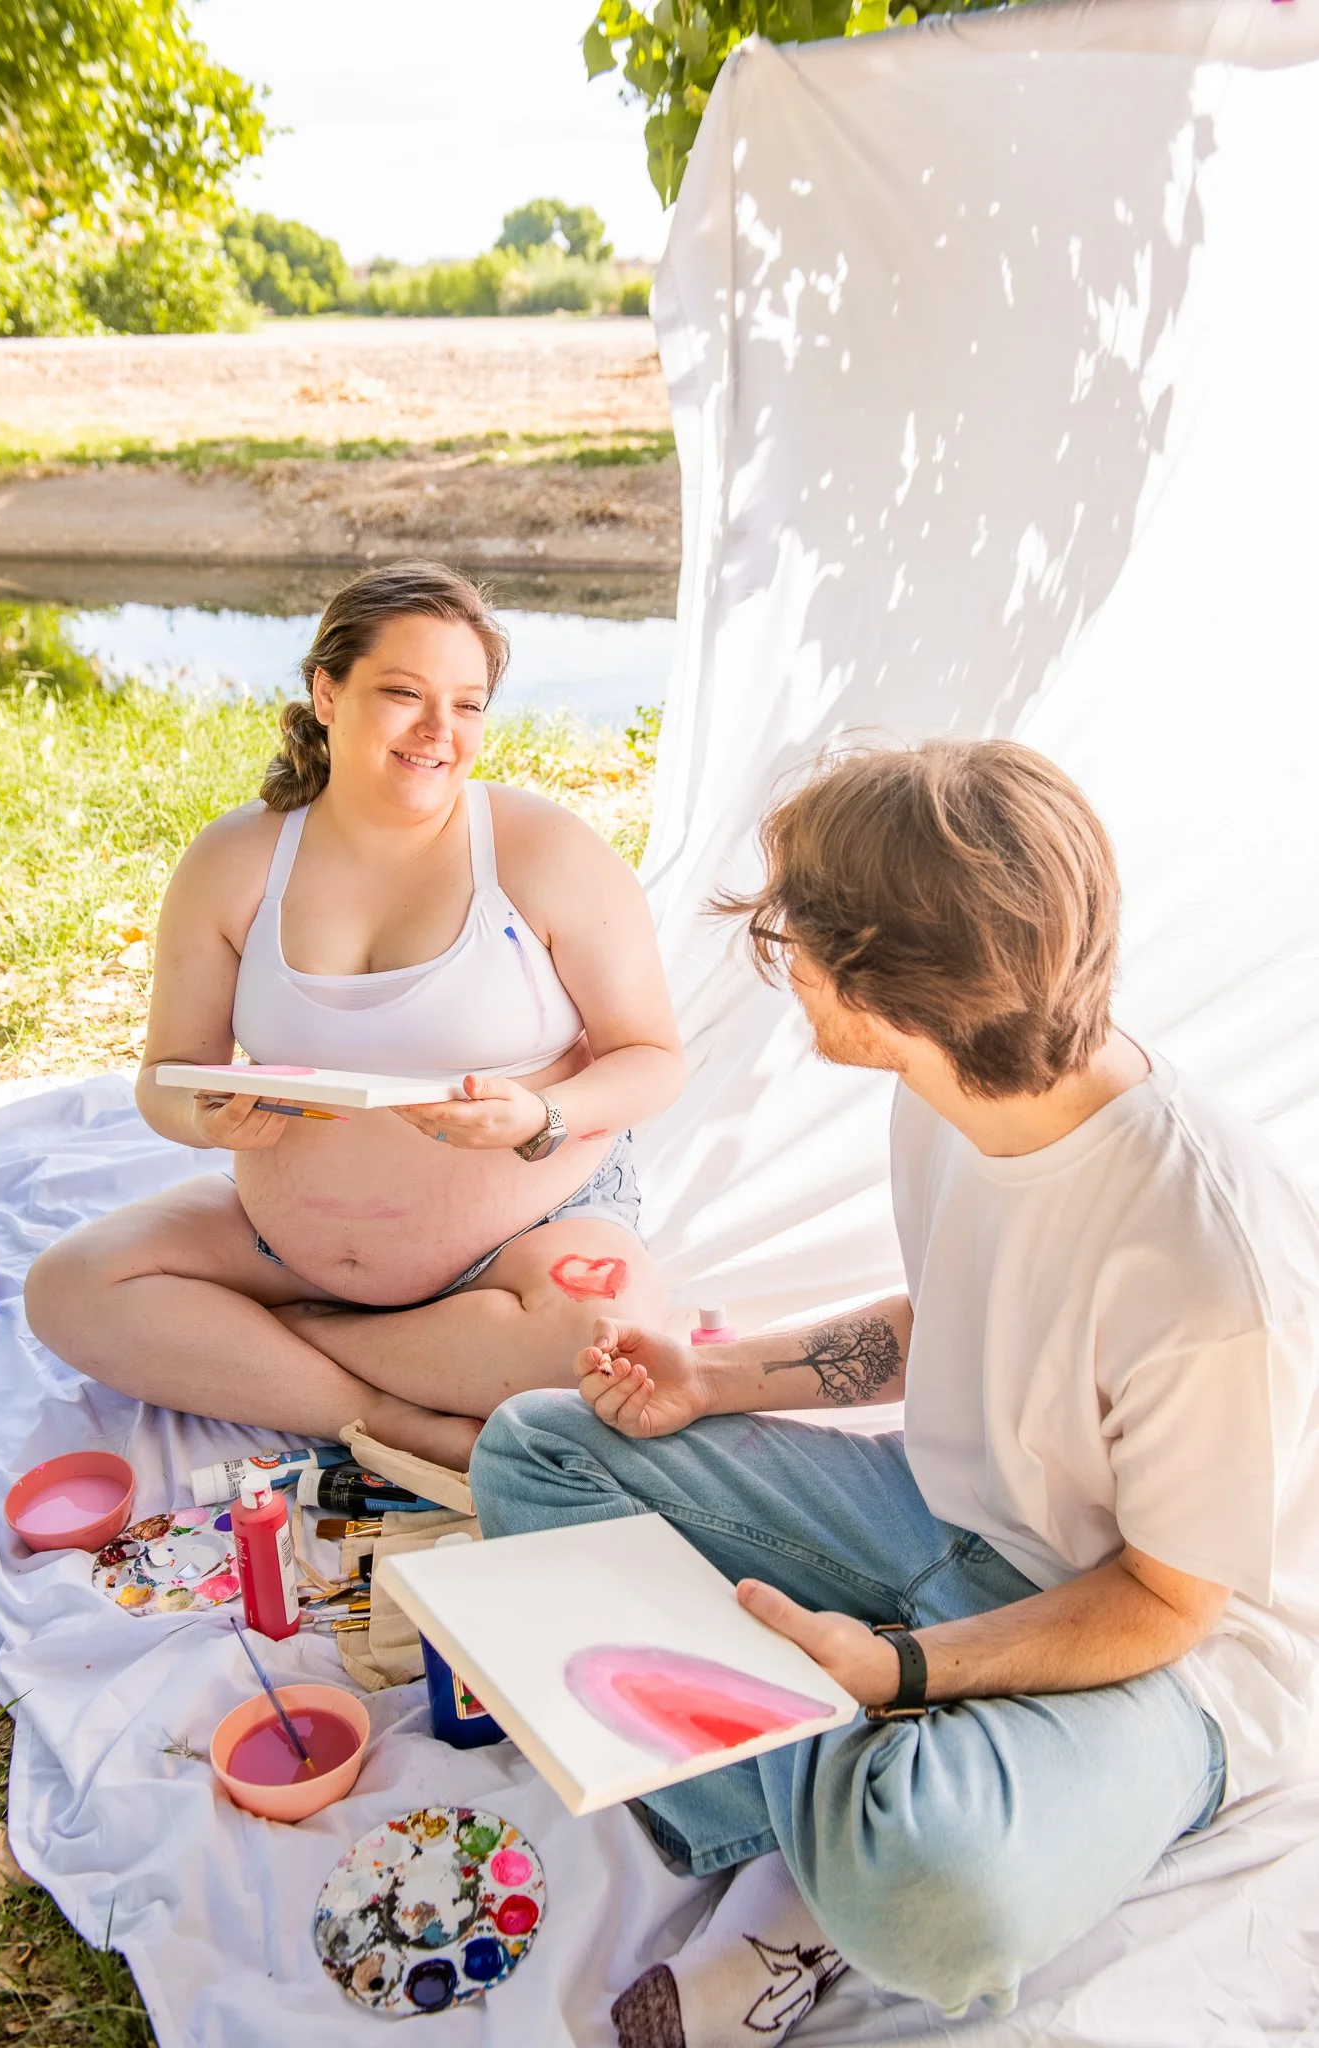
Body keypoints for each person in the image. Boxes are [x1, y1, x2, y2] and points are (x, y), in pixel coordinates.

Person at [470, 738, 1319, 2044]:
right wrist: (715, 1375)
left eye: (797, 940)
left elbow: (1164, 1600)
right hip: (945, 1524)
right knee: (535, 1452)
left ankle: (815, 1869)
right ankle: (823, 1794)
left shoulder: (1205, 1266)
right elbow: (956, 1312)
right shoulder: (958, 1084)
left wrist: (900, 1671)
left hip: (1172, 1653)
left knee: (934, 1895)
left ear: (877, 994)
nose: (784, 964)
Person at [25, 561, 683, 1470]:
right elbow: (165, 1074)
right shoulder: (235, 860)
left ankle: (282, 1341)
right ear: (326, 693)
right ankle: (378, 1412)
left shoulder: (546, 851)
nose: (438, 732)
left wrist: (542, 1116)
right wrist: (202, 1116)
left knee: (601, 1358)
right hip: (282, 1239)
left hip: (527, 1237)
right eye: (403, 694)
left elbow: (652, 1058)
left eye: (467, 704)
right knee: (70, 1289)